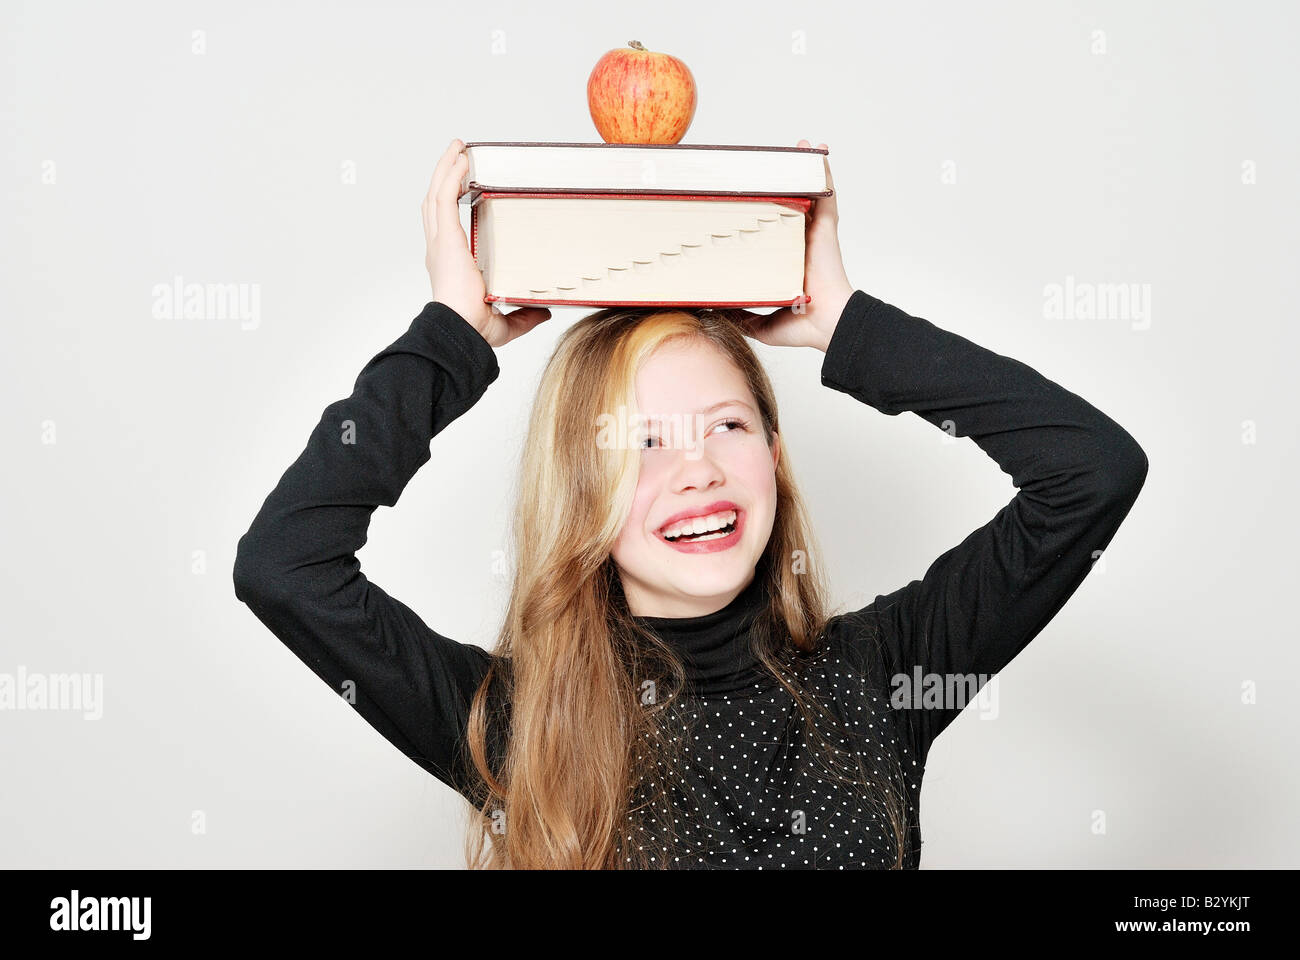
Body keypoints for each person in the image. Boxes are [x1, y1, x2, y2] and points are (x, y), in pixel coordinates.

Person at [233, 138, 1149, 869]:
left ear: (776, 460)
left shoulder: (890, 671)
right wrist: (448, 339)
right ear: (581, 486)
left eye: (727, 427)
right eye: (644, 442)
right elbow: (284, 565)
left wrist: (845, 322)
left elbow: (1092, 471)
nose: (698, 469)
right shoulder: (518, 720)